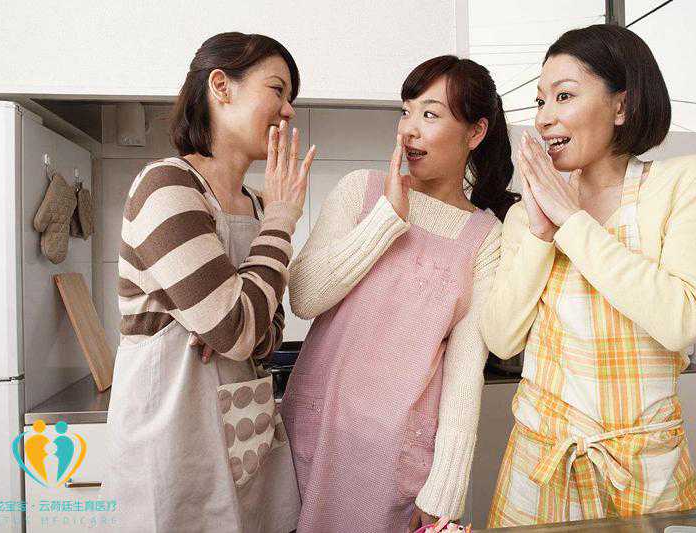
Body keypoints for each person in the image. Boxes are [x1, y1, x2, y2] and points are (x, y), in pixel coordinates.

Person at [481, 24, 696, 527]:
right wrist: (541, 231)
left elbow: (680, 320)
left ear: (621, 106)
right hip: (540, 466)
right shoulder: (527, 214)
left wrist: (571, 222)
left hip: (644, 471)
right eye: (540, 101)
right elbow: (502, 339)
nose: (544, 117)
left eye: (564, 96)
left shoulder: (684, 182)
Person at [281, 55, 516, 532]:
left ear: (475, 133)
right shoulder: (360, 191)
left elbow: (465, 368)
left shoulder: (486, 238)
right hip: (312, 432)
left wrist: (445, 486)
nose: (409, 129)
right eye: (406, 111)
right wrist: (386, 218)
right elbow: (304, 297)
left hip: (394, 460)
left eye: (430, 114)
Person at [99, 32, 316, 532]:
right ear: (221, 86)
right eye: (277, 90)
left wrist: (230, 322)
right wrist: (280, 223)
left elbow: (266, 331)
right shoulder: (167, 185)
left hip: (244, 435)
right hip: (172, 443)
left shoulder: (257, 204)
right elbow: (237, 329)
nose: (288, 111)